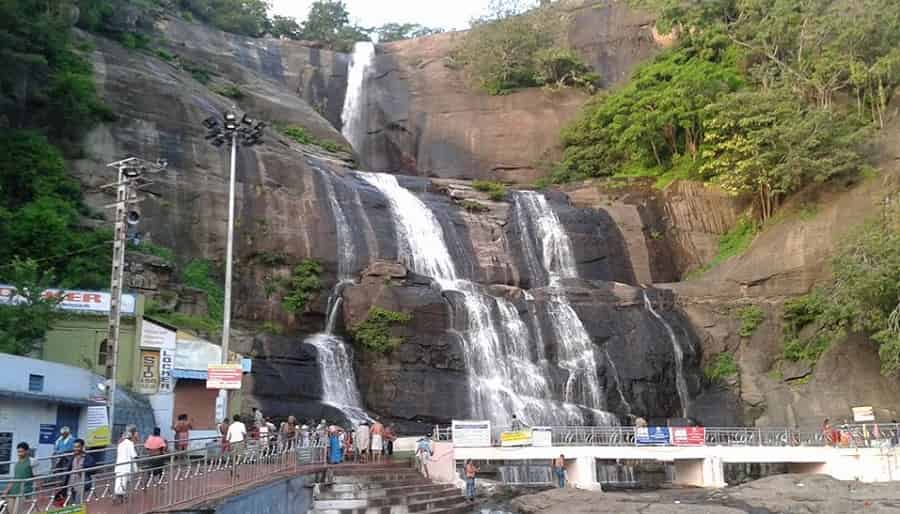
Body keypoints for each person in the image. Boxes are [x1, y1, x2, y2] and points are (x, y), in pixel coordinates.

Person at [2, 442, 39, 513]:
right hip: (13, 491)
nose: (19, 453)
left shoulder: (32, 461)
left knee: (16, 512)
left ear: (27, 451)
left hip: (23, 491)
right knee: (9, 511)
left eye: (21, 451)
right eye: (18, 452)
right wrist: (6, 490)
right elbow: (14, 478)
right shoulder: (17, 463)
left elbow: (37, 477)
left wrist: (40, 492)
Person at [66, 438, 97, 504]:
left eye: (78, 447)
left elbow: (94, 470)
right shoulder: (72, 457)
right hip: (71, 484)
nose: (75, 449)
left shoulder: (88, 458)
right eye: (74, 447)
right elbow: (68, 470)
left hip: (82, 484)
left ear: (82, 447)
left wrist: (83, 470)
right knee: (69, 505)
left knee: (78, 504)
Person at [114, 425, 139, 503]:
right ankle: (120, 498)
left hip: (119, 465)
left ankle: (119, 498)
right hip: (126, 466)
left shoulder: (121, 443)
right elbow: (134, 455)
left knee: (119, 482)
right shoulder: (130, 444)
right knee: (124, 483)